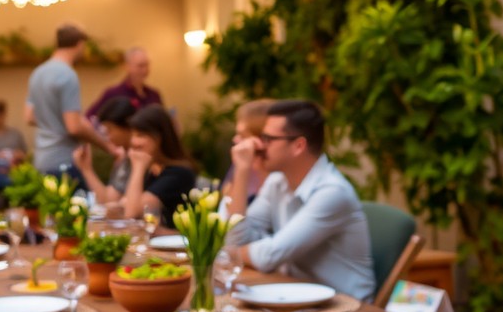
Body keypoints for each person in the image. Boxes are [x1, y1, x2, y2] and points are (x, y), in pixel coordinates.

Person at [225, 99, 375, 301]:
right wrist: (242, 171)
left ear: (298, 145)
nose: (259, 145)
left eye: (267, 138)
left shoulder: (332, 192)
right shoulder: (277, 182)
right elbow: (236, 238)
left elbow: (267, 257)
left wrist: (234, 251)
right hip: (298, 295)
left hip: (347, 307)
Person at [24, 24, 112, 178]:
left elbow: (29, 117)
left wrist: (53, 122)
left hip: (41, 160)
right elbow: (74, 127)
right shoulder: (67, 74)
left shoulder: (37, 73)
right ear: (79, 44)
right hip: (63, 161)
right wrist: (107, 146)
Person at [119, 104, 196, 225]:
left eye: (141, 135)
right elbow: (125, 203)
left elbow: (132, 213)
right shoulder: (154, 170)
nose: (134, 142)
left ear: (160, 137)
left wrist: (138, 168)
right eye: (133, 135)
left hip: (173, 243)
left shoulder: (179, 173)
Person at [72, 97, 134, 204]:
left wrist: (86, 169)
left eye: (110, 129)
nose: (108, 137)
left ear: (128, 125)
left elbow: (108, 201)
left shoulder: (133, 158)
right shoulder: (123, 157)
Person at [221, 98, 274, 211]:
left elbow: (235, 221)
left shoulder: (279, 179)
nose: (235, 140)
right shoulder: (242, 164)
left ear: (261, 140)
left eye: (242, 135)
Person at [86, 46, 163, 119]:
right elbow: (90, 117)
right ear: (127, 66)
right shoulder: (113, 93)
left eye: (147, 65)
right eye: (140, 66)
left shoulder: (154, 94)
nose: (145, 70)